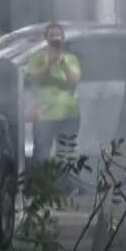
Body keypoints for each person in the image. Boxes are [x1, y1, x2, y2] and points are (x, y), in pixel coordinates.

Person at [24, 23, 81, 172]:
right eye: (51, 35)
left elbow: (73, 80)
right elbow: (35, 78)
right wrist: (49, 63)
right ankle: (41, 190)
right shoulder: (37, 58)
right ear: (46, 38)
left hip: (68, 113)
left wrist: (62, 62)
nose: (55, 38)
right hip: (44, 115)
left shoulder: (71, 58)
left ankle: (65, 187)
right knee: (42, 156)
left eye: (58, 35)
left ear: (62, 38)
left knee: (66, 156)